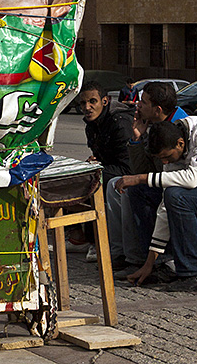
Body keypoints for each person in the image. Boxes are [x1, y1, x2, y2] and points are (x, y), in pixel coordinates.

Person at [115, 116, 197, 291]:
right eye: (160, 158)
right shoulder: (174, 152)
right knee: (144, 192)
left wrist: (141, 177)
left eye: (166, 157)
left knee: (176, 195)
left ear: (180, 143)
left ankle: (195, 272)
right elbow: (165, 206)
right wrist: (150, 261)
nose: (164, 162)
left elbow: (192, 179)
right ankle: (160, 265)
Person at [106, 82, 188, 276]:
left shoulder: (177, 127)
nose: (137, 105)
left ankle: (139, 258)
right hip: (159, 181)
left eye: (143, 102)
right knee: (114, 185)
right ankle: (121, 254)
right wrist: (136, 139)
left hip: (178, 185)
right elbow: (142, 169)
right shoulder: (151, 125)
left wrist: (139, 179)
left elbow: (168, 170)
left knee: (132, 190)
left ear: (157, 109)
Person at [67, 80, 133, 261]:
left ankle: (96, 242)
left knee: (89, 181)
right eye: (83, 103)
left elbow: (127, 165)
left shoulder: (119, 122)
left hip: (126, 174)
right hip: (111, 168)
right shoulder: (92, 124)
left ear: (104, 101)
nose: (87, 107)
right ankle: (80, 237)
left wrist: (98, 168)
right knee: (68, 180)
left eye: (92, 102)